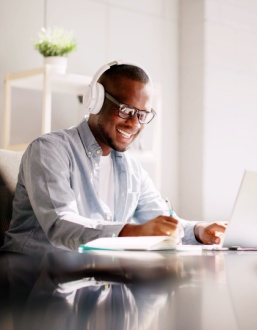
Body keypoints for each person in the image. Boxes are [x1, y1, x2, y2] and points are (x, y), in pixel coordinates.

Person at [1, 60, 226, 255]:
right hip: (33, 282)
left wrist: (200, 231)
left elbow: (163, 220)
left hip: (89, 281)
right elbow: (61, 224)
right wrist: (131, 232)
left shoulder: (132, 170)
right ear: (96, 101)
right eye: (127, 111)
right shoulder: (49, 150)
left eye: (142, 114)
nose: (135, 123)